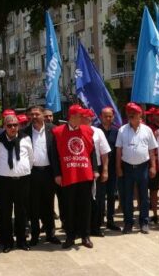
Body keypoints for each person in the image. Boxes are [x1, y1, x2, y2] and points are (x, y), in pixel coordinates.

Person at [51, 105, 98, 249]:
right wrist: (57, 174)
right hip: (68, 174)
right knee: (68, 207)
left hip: (84, 174)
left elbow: (92, 152)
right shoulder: (58, 132)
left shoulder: (87, 131)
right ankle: (70, 237)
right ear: (71, 117)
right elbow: (54, 156)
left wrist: (95, 169)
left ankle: (85, 236)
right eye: (80, 116)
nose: (83, 118)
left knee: (85, 206)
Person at [0, 115, 33, 253]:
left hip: (23, 181)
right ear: (4, 127)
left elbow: (31, 159)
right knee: (5, 213)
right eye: (9, 125)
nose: (13, 128)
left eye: (15, 125)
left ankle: (22, 241)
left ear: (19, 126)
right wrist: (7, 172)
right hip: (4, 182)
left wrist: (21, 170)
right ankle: (8, 242)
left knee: (22, 212)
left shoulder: (26, 139)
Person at [116, 103, 158, 235]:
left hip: (143, 167)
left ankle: (144, 222)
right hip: (127, 167)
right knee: (127, 197)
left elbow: (152, 150)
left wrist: (153, 166)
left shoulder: (147, 130)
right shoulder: (122, 130)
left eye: (134, 113)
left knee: (144, 197)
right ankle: (128, 223)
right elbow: (119, 150)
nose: (131, 115)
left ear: (140, 115)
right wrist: (118, 167)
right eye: (130, 113)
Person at [22, 105, 61, 246]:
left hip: (49, 173)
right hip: (32, 173)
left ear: (43, 115)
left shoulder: (54, 129)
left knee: (48, 204)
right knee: (33, 206)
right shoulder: (24, 132)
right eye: (31, 114)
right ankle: (35, 234)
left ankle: (50, 234)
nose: (34, 117)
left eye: (37, 114)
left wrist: (58, 173)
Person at [81, 109, 111, 237]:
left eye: (89, 117)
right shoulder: (76, 131)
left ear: (92, 119)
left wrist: (105, 171)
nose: (87, 119)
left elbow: (104, 154)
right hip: (81, 169)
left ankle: (96, 227)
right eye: (84, 117)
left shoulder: (98, 132)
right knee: (83, 200)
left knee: (98, 200)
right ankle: (83, 228)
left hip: (97, 169)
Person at [98, 107, 122, 231]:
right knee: (100, 195)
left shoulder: (117, 131)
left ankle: (110, 220)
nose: (108, 118)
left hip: (113, 168)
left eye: (110, 116)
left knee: (112, 195)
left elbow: (119, 149)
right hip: (99, 167)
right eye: (105, 116)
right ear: (100, 117)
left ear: (113, 116)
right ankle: (99, 219)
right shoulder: (96, 130)